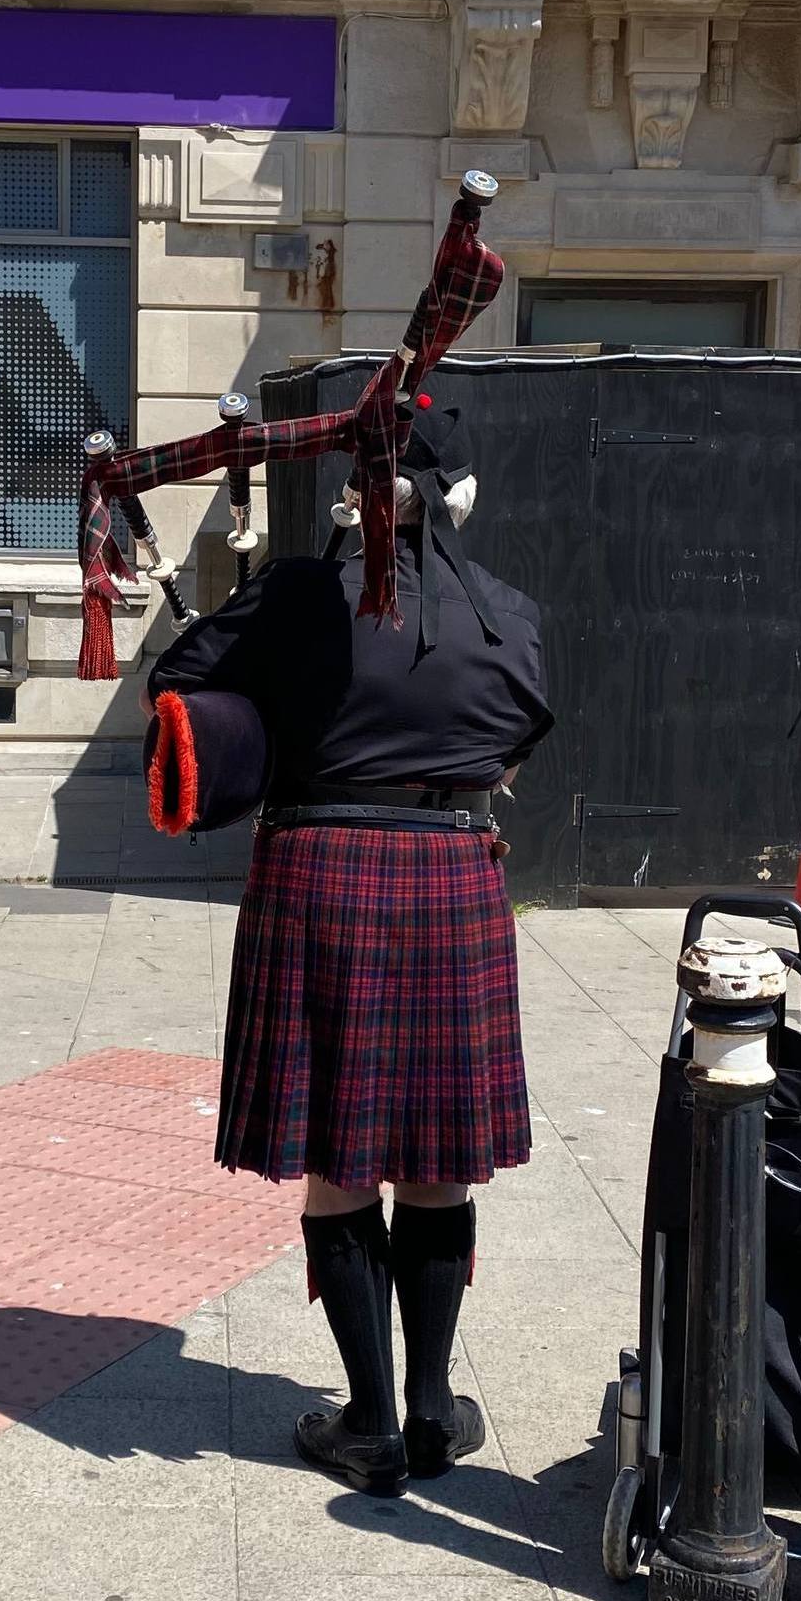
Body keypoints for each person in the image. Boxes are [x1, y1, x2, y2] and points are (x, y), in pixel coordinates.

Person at [146, 404, 551, 1498]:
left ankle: (370, 1421)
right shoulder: (509, 612)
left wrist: (273, 703)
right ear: (459, 500)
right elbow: (524, 724)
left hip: (321, 869)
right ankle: (427, 1410)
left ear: (353, 495)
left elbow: (175, 684)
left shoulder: (294, 594)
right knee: (434, 1154)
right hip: (453, 869)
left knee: (342, 1151)